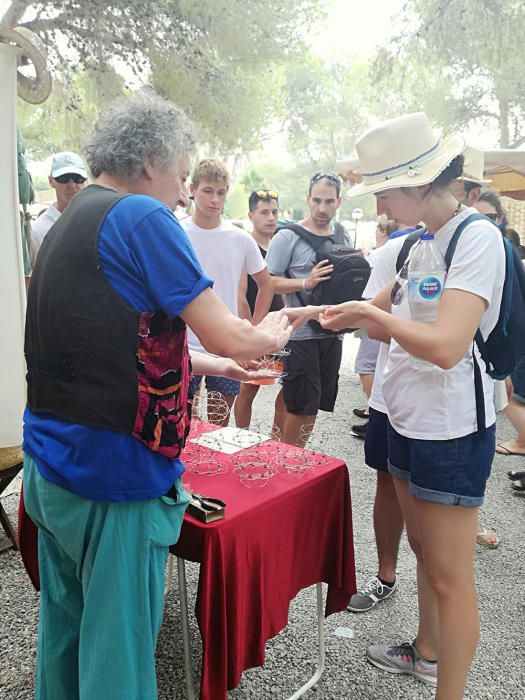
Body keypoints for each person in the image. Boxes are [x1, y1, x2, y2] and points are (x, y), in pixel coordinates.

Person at [22, 92, 320, 700]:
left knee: (65, 632)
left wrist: (221, 363)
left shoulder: (70, 219)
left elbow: (124, 340)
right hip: (113, 475)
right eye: (183, 178)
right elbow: (228, 327)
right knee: (119, 649)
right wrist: (266, 334)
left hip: (49, 467)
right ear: (151, 158)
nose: (184, 195)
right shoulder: (141, 217)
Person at [320, 112, 505, 699]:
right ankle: (425, 653)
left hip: (450, 428)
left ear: (417, 183)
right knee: (424, 550)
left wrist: (373, 317)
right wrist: (306, 317)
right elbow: (372, 313)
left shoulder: (477, 238)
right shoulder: (415, 246)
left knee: (451, 577)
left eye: (383, 189)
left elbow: (449, 346)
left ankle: (446, 688)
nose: (380, 202)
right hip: (404, 416)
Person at [181, 159, 275, 424]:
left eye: (221, 192)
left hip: (227, 344)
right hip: (183, 343)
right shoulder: (177, 232)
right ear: (192, 189)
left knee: (218, 425)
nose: (215, 199)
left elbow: (266, 283)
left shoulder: (240, 238)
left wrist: (255, 330)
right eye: (208, 191)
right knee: (182, 424)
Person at [265, 172, 343, 446]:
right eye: (317, 200)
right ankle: (291, 462)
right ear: (308, 199)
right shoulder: (287, 237)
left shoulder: (341, 234)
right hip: (300, 337)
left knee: (301, 399)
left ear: (339, 202)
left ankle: (276, 448)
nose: (322, 209)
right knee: (303, 407)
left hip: (332, 334)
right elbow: (268, 282)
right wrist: (304, 281)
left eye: (329, 202)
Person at [234, 190, 285, 429]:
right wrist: (250, 332)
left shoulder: (282, 245)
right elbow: (241, 296)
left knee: (288, 387)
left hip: (279, 327)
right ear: (250, 215)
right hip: (255, 327)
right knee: (248, 387)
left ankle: (277, 441)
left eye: (274, 212)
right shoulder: (246, 246)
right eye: (264, 212)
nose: (271, 217)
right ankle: (242, 435)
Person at [351, 215, 398, 438]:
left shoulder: (387, 251)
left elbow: (371, 308)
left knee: (365, 365)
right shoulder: (416, 248)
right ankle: (374, 410)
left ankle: (374, 411)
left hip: (379, 322)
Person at [30, 151, 88, 263]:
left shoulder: (97, 219)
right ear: (51, 181)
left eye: (77, 178)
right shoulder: (40, 230)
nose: (71, 185)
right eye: (64, 178)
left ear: (85, 181)